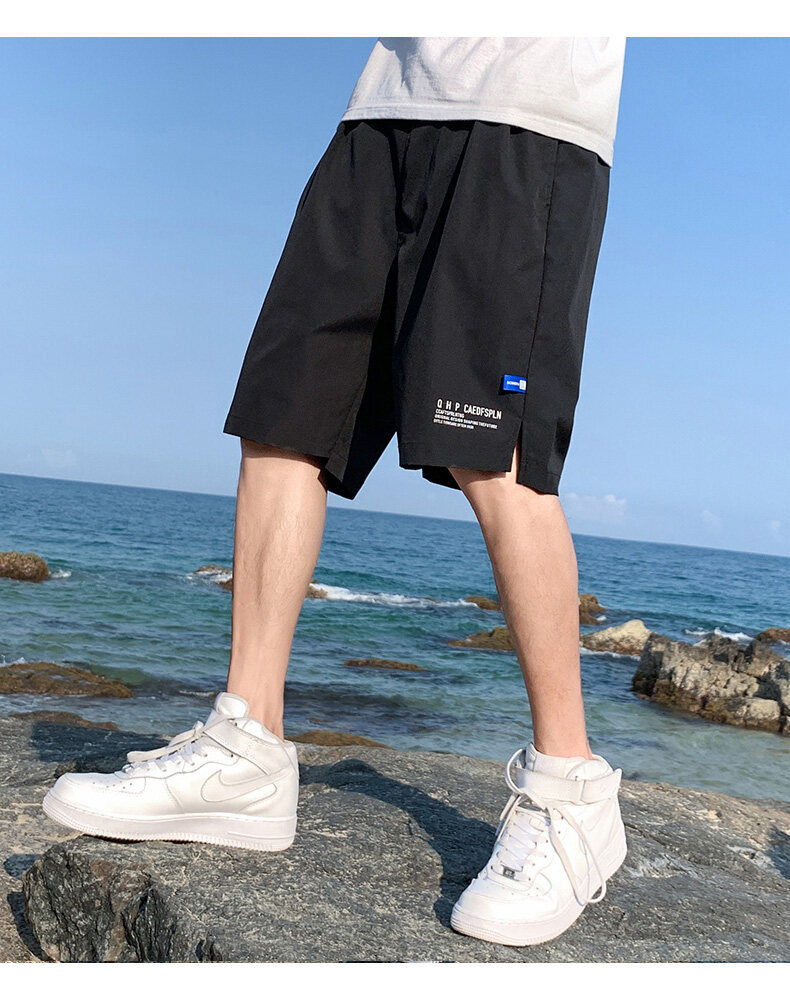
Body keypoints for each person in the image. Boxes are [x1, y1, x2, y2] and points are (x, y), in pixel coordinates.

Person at [42, 37, 627, 947]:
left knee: (494, 456)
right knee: (286, 420)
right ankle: (248, 745)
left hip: (523, 113)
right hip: (382, 109)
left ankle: (571, 790)